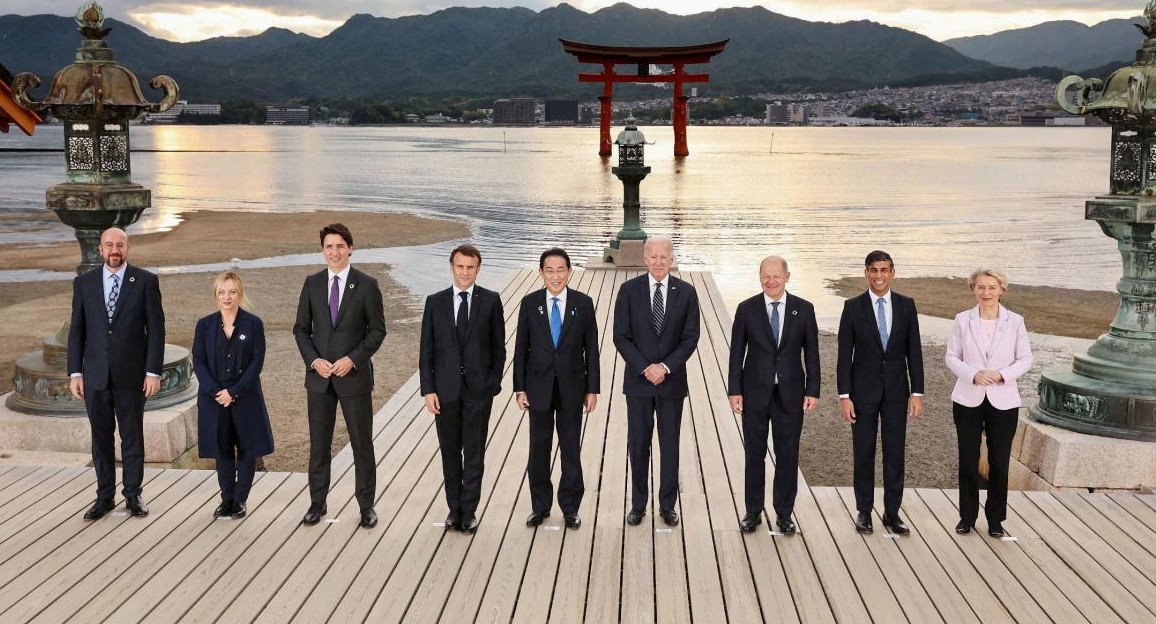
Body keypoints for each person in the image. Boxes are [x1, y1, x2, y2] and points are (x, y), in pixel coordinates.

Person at [293, 223, 386, 529]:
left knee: (362, 444)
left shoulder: (367, 285)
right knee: (319, 445)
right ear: (323, 250)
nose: (334, 252)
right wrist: (314, 360)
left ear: (350, 248)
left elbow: (377, 331)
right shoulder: (312, 283)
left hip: (353, 378)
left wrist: (353, 359)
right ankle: (317, 504)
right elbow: (301, 330)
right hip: (319, 380)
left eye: (339, 246)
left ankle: (366, 505)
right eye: (328, 247)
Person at [68, 227, 165, 520]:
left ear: (128, 248)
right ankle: (104, 496)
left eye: (119, 245)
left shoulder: (146, 281)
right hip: (94, 375)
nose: (114, 250)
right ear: (100, 249)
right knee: (101, 438)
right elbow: (77, 332)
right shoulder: (83, 284)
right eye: (109, 245)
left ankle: (133, 495)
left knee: (132, 436)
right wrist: (74, 372)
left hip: (132, 376)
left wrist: (153, 372)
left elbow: (157, 331)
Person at [728, 256, 819, 534]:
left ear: (787, 276)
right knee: (754, 455)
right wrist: (735, 391)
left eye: (776, 276)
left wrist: (813, 390)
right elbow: (736, 354)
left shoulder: (803, 309)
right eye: (765, 276)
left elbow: (812, 354)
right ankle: (753, 512)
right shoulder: (746, 309)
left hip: (790, 394)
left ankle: (784, 514)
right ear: (759, 277)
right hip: (754, 393)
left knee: (787, 455)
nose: (771, 281)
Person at [613, 236, 700, 527]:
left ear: (672, 259)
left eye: (665, 257)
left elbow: (690, 338)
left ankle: (667, 505)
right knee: (638, 444)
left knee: (669, 445)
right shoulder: (628, 291)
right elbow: (621, 336)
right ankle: (638, 505)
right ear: (645, 258)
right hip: (638, 383)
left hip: (671, 382)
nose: (659, 262)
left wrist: (664, 367)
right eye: (654, 256)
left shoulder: (687, 293)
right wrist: (645, 367)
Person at [420, 244, 506, 534]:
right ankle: (453, 510)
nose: (465, 272)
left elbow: (498, 347)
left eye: (471, 267)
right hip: (444, 392)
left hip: (479, 391)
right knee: (449, 453)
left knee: (474, 453)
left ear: (478, 269)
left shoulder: (491, 301)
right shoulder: (435, 302)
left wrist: (493, 383)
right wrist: (428, 389)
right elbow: (426, 351)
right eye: (460, 266)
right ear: (452, 267)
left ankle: (469, 511)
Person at [837, 250, 924, 535]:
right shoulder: (852, 307)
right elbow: (843, 356)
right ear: (866, 273)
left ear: (892, 273)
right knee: (863, 453)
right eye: (873, 270)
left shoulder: (907, 305)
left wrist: (917, 393)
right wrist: (844, 396)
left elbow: (915, 353)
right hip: (862, 393)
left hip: (897, 393)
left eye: (884, 270)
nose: (878, 276)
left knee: (894, 453)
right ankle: (864, 512)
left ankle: (892, 512)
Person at [514, 247, 599, 530]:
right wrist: (519, 388)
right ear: (541, 273)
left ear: (569, 272)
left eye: (560, 270)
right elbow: (521, 350)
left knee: (570, 449)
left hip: (572, 388)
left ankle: (571, 507)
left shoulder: (583, 304)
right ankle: (540, 506)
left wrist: (592, 389)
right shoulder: (529, 304)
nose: (555, 275)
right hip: (537, 388)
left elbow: (592, 351)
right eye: (549, 270)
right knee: (538, 449)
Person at [945, 268, 1032, 539]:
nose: (986, 293)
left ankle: (995, 519)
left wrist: (1002, 375)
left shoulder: (1016, 321)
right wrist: (973, 374)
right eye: (981, 287)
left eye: (992, 287)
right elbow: (951, 356)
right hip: (968, 398)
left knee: (999, 461)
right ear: (973, 289)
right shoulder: (962, 320)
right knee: (968, 460)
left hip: (1003, 400)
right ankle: (966, 517)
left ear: (1002, 290)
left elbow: (1025, 359)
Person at [192, 271, 275, 519]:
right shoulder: (204, 325)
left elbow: (256, 363)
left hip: (245, 397)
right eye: (222, 292)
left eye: (232, 292)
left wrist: (234, 392)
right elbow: (198, 361)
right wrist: (218, 391)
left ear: (240, 294)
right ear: (216, 295)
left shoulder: (253, 324)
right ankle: (226, 499)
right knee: (222, 450)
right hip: (214, 399)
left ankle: (240, 500)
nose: (227, 297)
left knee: (248, 449)